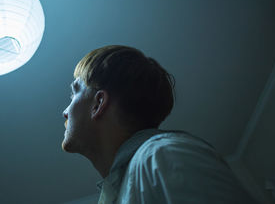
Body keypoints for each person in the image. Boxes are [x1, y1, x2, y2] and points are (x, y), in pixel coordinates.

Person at [61, 45, 256, 203]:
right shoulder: (131, 183)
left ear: (98, 104)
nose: (65, 111)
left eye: (75, 92)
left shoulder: (163, 155)